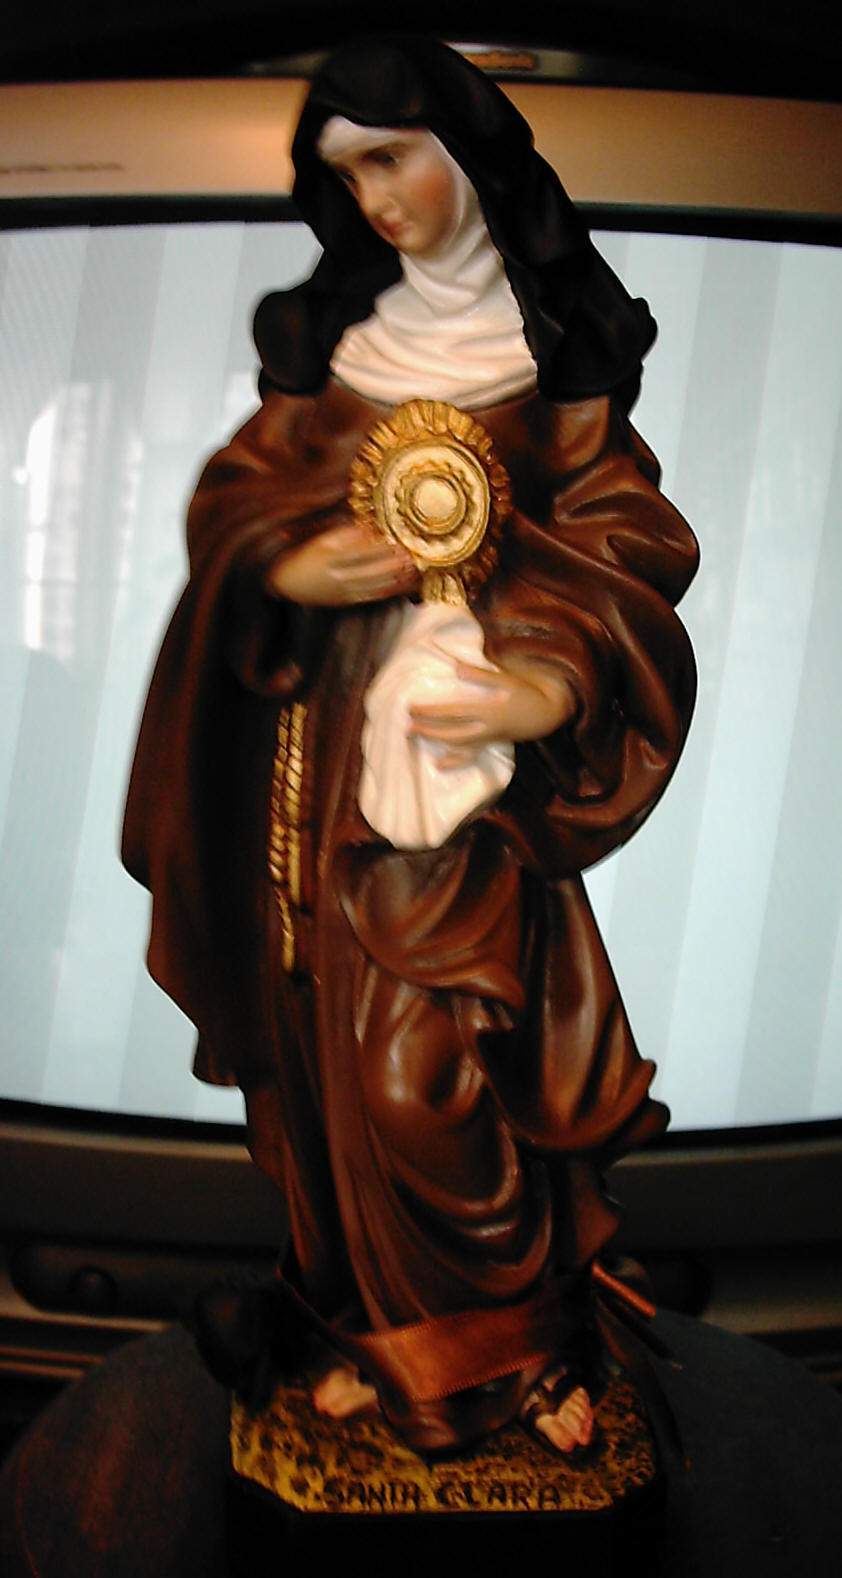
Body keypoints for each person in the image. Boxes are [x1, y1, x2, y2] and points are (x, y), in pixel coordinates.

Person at [122, 36, 699, 1457]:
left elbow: (622, 536)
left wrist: (549, 685)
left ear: (466, 148)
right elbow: (238, 499)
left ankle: (515, 1351)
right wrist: (287, 564)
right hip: (317, 769)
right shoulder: (328, 345)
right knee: (332, 1076)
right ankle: (384, 1343)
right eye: (347, 173)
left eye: (392, 158)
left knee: (433, 1071)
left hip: (465, 783)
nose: (375, 198)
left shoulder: (560, 354)